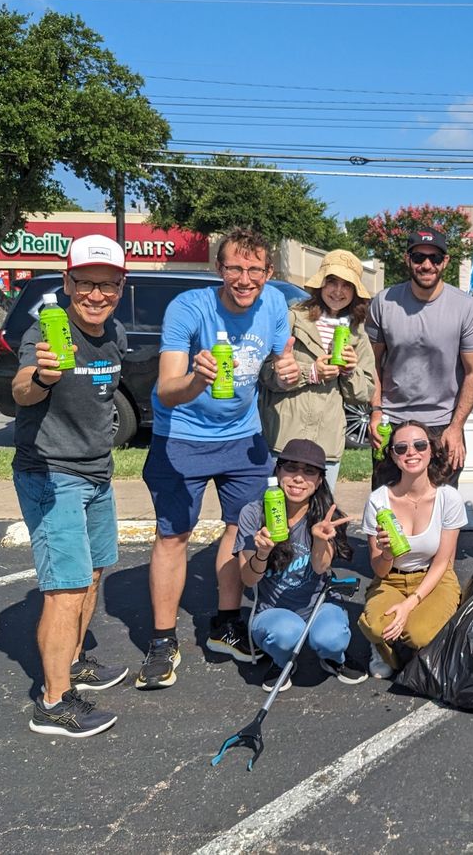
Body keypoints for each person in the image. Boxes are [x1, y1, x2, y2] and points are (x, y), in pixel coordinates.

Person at [137, 227, 301, 690]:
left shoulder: (274, 307)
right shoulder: (188, 308)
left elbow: (274, 367)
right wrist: (196, 380)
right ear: (218, 269)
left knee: (240, 527)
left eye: (254, 270)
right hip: (181, 436)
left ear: (269, 273)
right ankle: (163, 640)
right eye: (234, 268)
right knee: (174, 536)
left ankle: (226, 625)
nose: (244, 279)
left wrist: (284, 373)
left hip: (243, 438)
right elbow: (167, 389)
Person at [14, 234, 129, 737]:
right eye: (85, 283)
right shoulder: (44, 332)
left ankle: (75, 660)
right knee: (66, 589)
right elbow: (21, 389)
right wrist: (42, 378)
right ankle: (53, 702)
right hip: (50, 475)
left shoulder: (115, 334)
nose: (96, 294)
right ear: (67, 283)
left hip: (96, 472)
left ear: (120, 288)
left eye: (107, 285)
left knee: (96, 571)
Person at [235, 438, 365, 691]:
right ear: (278, 471)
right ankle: (283, 660)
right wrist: (261, 553)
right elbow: (248, 580)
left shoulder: (327, 517)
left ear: (318, 482)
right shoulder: (253, 513)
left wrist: (319, 539)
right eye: (291, 468)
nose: (298, 478)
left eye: (309, 471)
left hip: (318, 605)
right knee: (286, 633)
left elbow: (320, 567)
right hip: (273, 612)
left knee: (332, 639)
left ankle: (332, 658)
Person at [366, 228, 473, 487]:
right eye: (419, 257)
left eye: (435, 258)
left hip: (442, 425)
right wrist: (376, 413)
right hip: (392, 422)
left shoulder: (466, 307)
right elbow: (371, 364)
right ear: (407, 259)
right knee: (387, 510)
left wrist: (456, 427)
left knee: (442, 507)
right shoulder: (383, 303)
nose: (427, 265)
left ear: (446, 261)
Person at [261, 249, 376, 495]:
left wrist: (349, 372)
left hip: (327, 441)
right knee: (276, 512)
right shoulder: (293, 318)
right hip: (284, 437)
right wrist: (310, 372)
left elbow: (365, 392)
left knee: (318, 515)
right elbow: (265, 374)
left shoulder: (357, 332)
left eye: (347, 285)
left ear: (355, 291)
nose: (338, 291)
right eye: (332, 282)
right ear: (320, 284)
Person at [359, 421, 467, 679]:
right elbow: (379, 569)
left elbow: (443, 562)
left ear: (431, 451)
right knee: (375, 627)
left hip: (434, 577)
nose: (412, 452)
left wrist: (409, 604)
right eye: (401, 447)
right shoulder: (378, 500)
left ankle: (413, 634)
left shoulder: (447, 498)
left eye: (420, 445)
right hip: (391, 578)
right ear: (394, 457)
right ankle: (382, 648)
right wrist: (387, 553)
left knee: (420, 634)